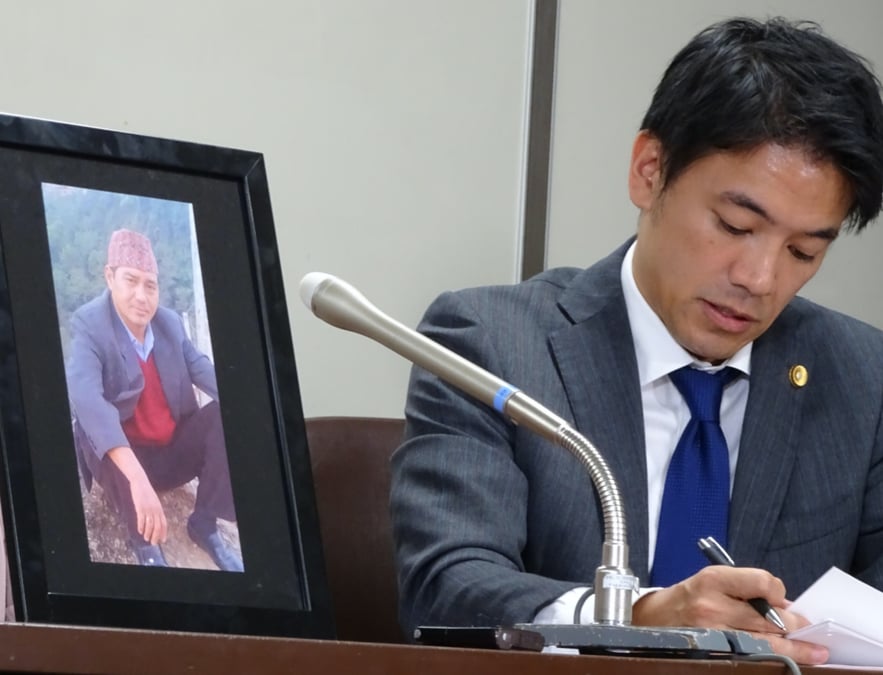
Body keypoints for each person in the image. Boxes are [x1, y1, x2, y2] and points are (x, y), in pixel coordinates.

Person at [390, 17, 883, 666]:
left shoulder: (861, 377)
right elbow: (447, 587)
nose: (759, 280)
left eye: (801, 250)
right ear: (648, 170)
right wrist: (640, 615)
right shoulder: (490, 344)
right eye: (735, 225)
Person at [67, 228, 243, 572]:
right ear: (109, 276)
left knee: (232, 412)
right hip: (124, 462)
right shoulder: (90, 324)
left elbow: (204, 370)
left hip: (170, 455)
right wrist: (137, 479)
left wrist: (254, 407)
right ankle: (144, 543)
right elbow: (86, 397)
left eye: (150, 285)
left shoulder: (170, 324)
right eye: (131, 280)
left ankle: (204, 524)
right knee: (89, 427)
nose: (141, 296)